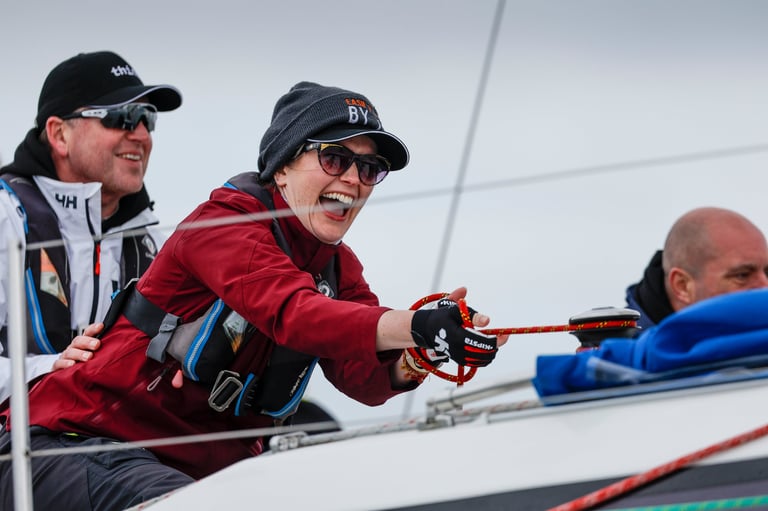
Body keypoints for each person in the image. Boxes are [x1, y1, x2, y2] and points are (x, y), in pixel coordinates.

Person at [0, 81, 507, 510]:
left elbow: (365, 379)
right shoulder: (225, 224)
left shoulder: (335, 266)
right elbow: (294, 313)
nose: (353, 179)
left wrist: (422, 351)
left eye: (370, 169)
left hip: (192, 471)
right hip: (73, 447)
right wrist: (415, 322)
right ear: (282, 168)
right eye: (334, 158)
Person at [0, 51, 182, 402]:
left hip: (108, 440)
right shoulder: (7, 216)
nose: (141, 135)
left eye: (147, 118)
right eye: (122, 117)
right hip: (17, 442)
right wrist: (50, 369)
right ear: (59, 135)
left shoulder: (148, 242)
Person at [625, 207, 768, 329]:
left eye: (767, 273)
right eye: (742, 275)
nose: (765, 287)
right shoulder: (616, 358)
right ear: (683, 286)